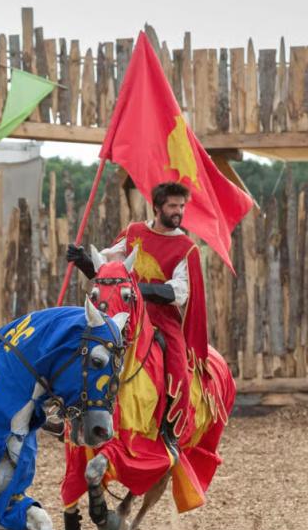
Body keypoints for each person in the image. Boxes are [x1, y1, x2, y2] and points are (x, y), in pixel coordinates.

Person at [66, 181, 207, 451]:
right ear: (157, 207)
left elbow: (179, 292)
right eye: (172, 206)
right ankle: (70, 411)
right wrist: (83, 260)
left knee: (177, 366)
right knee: (87, 346)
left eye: (181, 206)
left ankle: (169, 429)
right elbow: (110, 270)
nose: (178, 211)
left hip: (161, 319)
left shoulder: (185, 247)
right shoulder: (133, 232)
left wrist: (139, 289)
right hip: (125, 311)